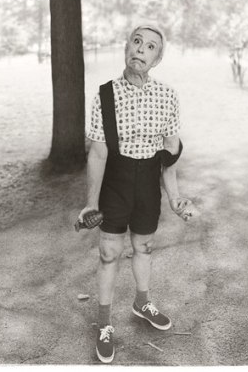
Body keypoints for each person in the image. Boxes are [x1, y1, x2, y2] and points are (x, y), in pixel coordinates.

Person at [78, 24, 193, 364]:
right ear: (126, 46)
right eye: (137, 41)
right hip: (116, 180)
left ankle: (142, 302)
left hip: (147, 184)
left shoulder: (168, 96)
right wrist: (91, 202)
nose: (141, 49)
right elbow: (98, 154)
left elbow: (169, 156)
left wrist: (174, 197)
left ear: (158, 58)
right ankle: (104, 324)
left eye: (151, 47)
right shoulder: (105, 95)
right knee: (109, 253)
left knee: (144, 246)